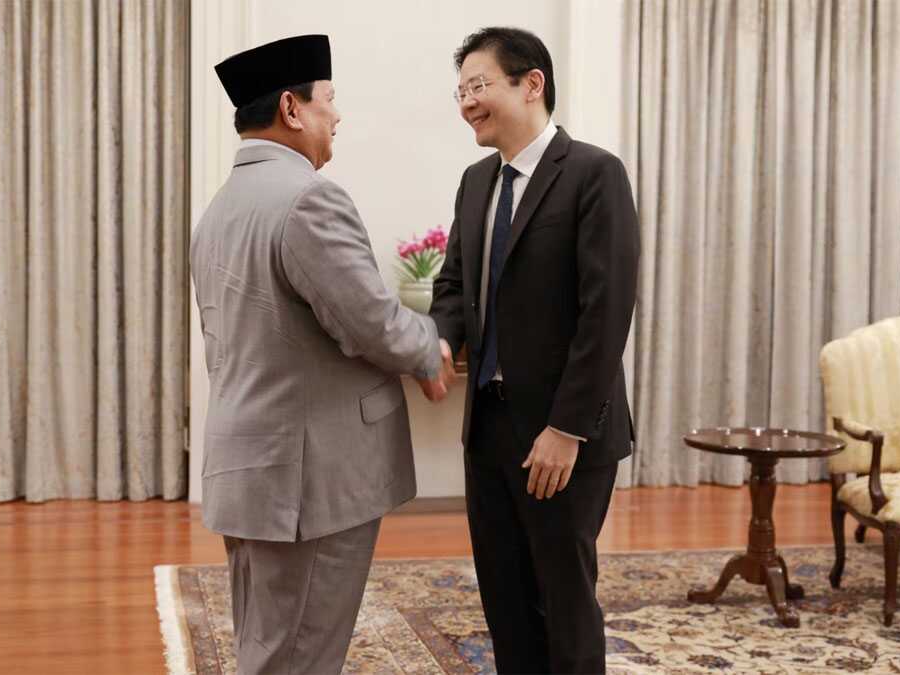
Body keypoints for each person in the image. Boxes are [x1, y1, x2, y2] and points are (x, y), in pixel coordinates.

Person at [190, 34, 455, 674]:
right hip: (308, 480)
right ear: (292, 107)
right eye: (330, 100)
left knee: (267, 646)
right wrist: (429, 349)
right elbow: (369, 322)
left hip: (252, 468)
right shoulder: (309, 197)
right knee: (300, 656)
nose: (338, 115)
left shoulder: (220, 209)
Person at [429, 26, 640, 674]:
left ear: (532, 83)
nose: (466, 101)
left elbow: (605, 313)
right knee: (505, 600)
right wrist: (439, 336)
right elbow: (454, 283)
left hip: (561, 436)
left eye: (479, 85)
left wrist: (567, 427)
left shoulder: (594, 174)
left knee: (564, 599)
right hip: (486, 428)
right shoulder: (474, 182)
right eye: (460, 90)